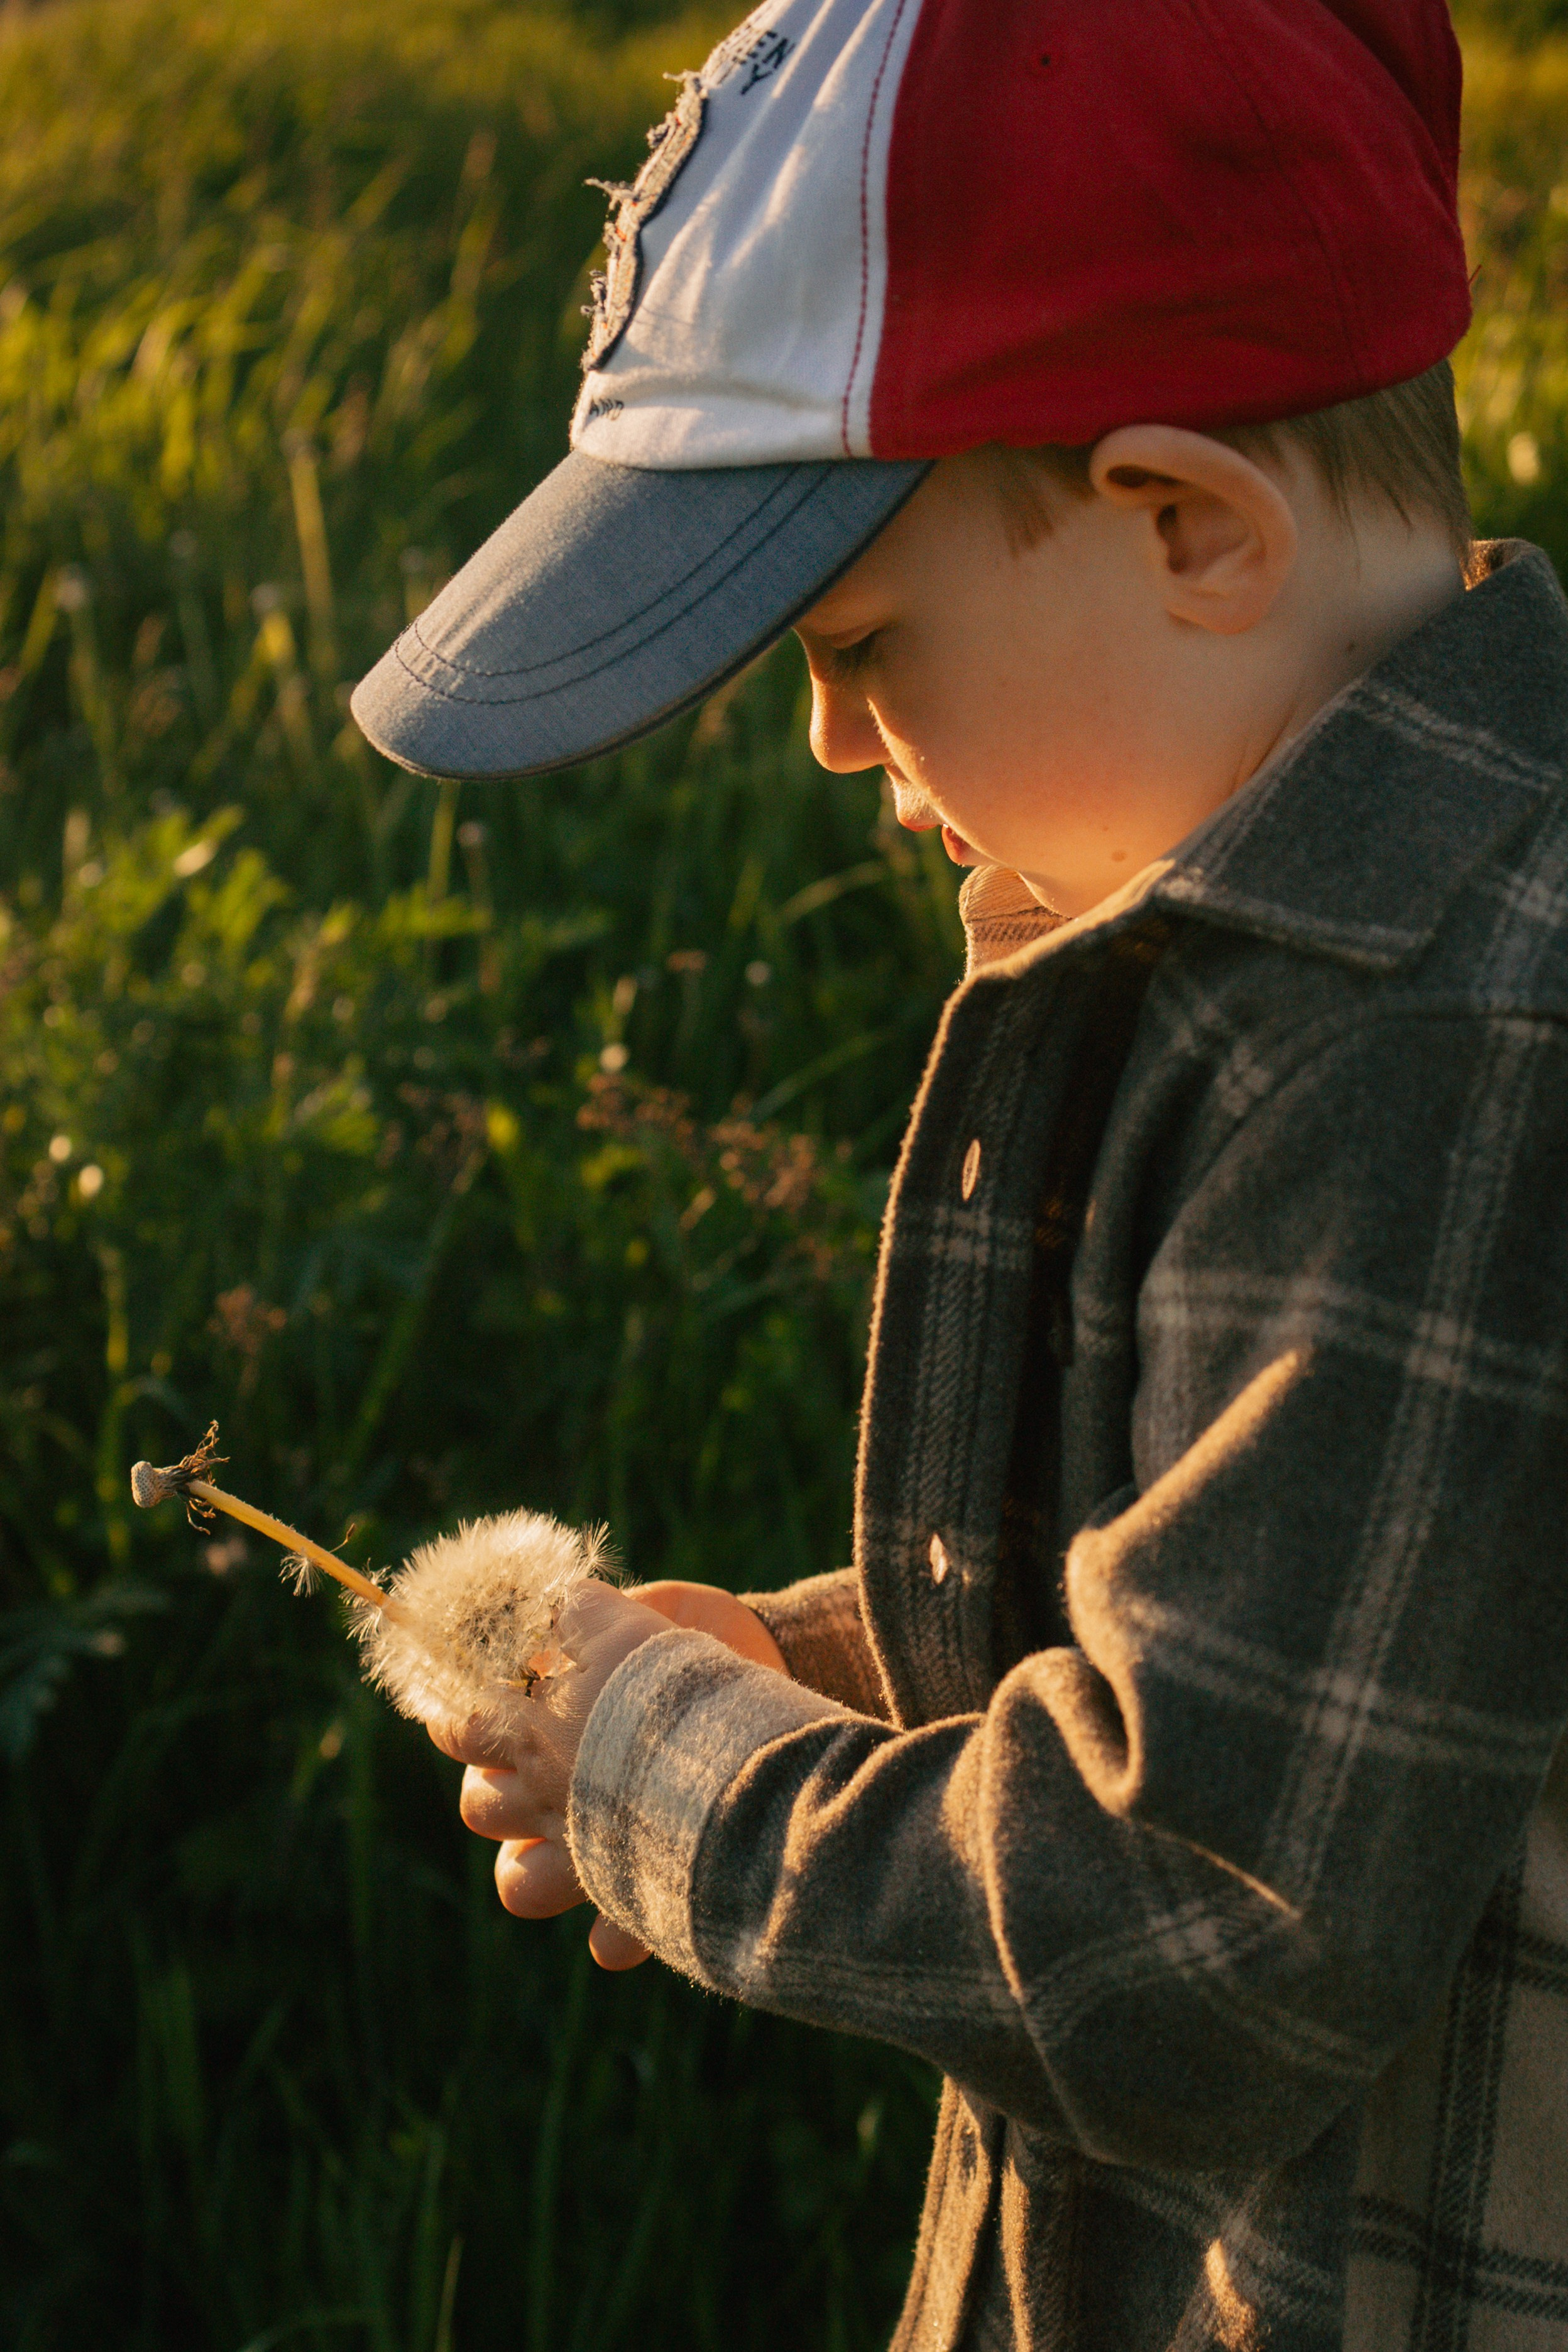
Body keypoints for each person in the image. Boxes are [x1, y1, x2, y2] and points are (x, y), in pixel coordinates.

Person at [351, 3, 1568, 2346]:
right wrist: (822, 1668)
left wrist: (673, 1781)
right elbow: (1305, 1605)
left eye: (865, 643)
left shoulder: (1441, 1051)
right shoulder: (1310, 946)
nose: (826, 741)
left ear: (1187, 523)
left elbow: (1210, 1928)